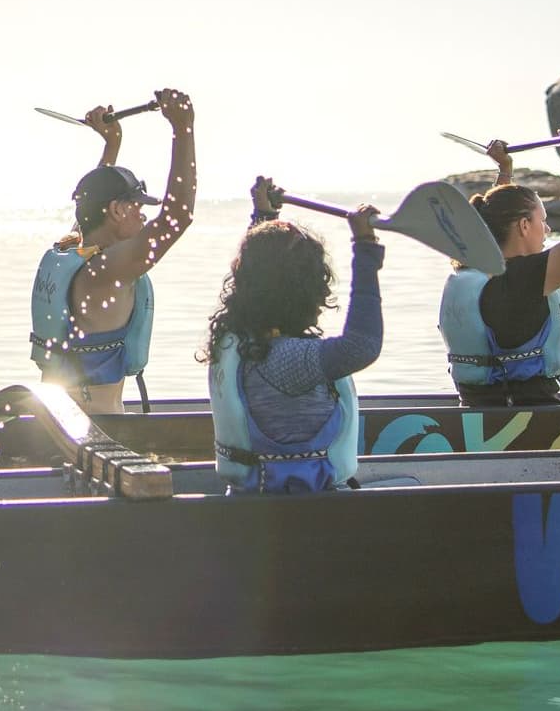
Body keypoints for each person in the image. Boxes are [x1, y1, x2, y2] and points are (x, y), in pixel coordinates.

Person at [200, 181, 383, 492]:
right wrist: (365, 248)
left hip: (252, 498)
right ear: (302, 291)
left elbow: (263, 269)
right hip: (304, 508)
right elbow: (361, 346)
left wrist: (264, 216)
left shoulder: (241, 339)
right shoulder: (285, 360)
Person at [28, 89, 198, 413]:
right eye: (138, 207)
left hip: (57, 421)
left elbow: (89, 207)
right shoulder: (105, 273)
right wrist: (182, 127)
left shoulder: (76, 251)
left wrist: (112, 144)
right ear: (117, 210)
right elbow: (178, 217)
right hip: (95, 430)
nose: (143, 216)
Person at [437, 125, 560, 405]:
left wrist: (505, 171)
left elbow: (492, 219)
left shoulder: (474, 272)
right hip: (523, 414)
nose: (548, 229)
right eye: (543, 220)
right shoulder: (520, 281)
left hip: (478, 407)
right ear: (524, 226)